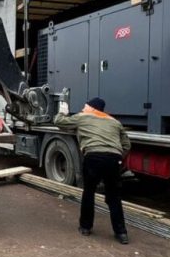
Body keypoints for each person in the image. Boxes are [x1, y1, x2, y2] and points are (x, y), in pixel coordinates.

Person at [54, 96, 131, 244]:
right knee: (114, 197)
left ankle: (85, 227)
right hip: (113, 160)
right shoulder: (115, 122)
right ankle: (121, 233)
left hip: (93, 158)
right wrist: (118, 156)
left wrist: (62, 112)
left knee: (89, 192)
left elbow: (59, 122)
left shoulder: (83, 117)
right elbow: (127, 144)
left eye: (85, 106)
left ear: (93, 108)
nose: (83, 109)